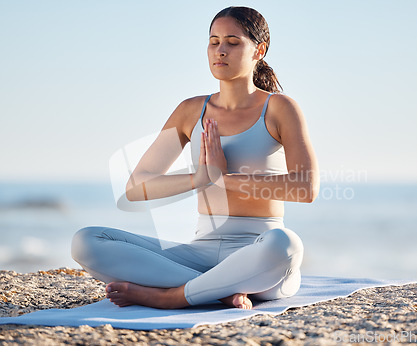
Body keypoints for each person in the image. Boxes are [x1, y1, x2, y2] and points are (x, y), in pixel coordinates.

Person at [71, 6, 319, 310]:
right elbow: (137, 186)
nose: (221, 51)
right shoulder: (191, 110)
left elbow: (305, 189)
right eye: (214, 42)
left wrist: (224, 180)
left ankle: (170, 295)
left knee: (287, 245)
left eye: (232, 42)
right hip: (198, 254)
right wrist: (199, 179)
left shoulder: (280, 108)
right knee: (87, 240)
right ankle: (218, 291)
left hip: (258, 251)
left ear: (259, 51)